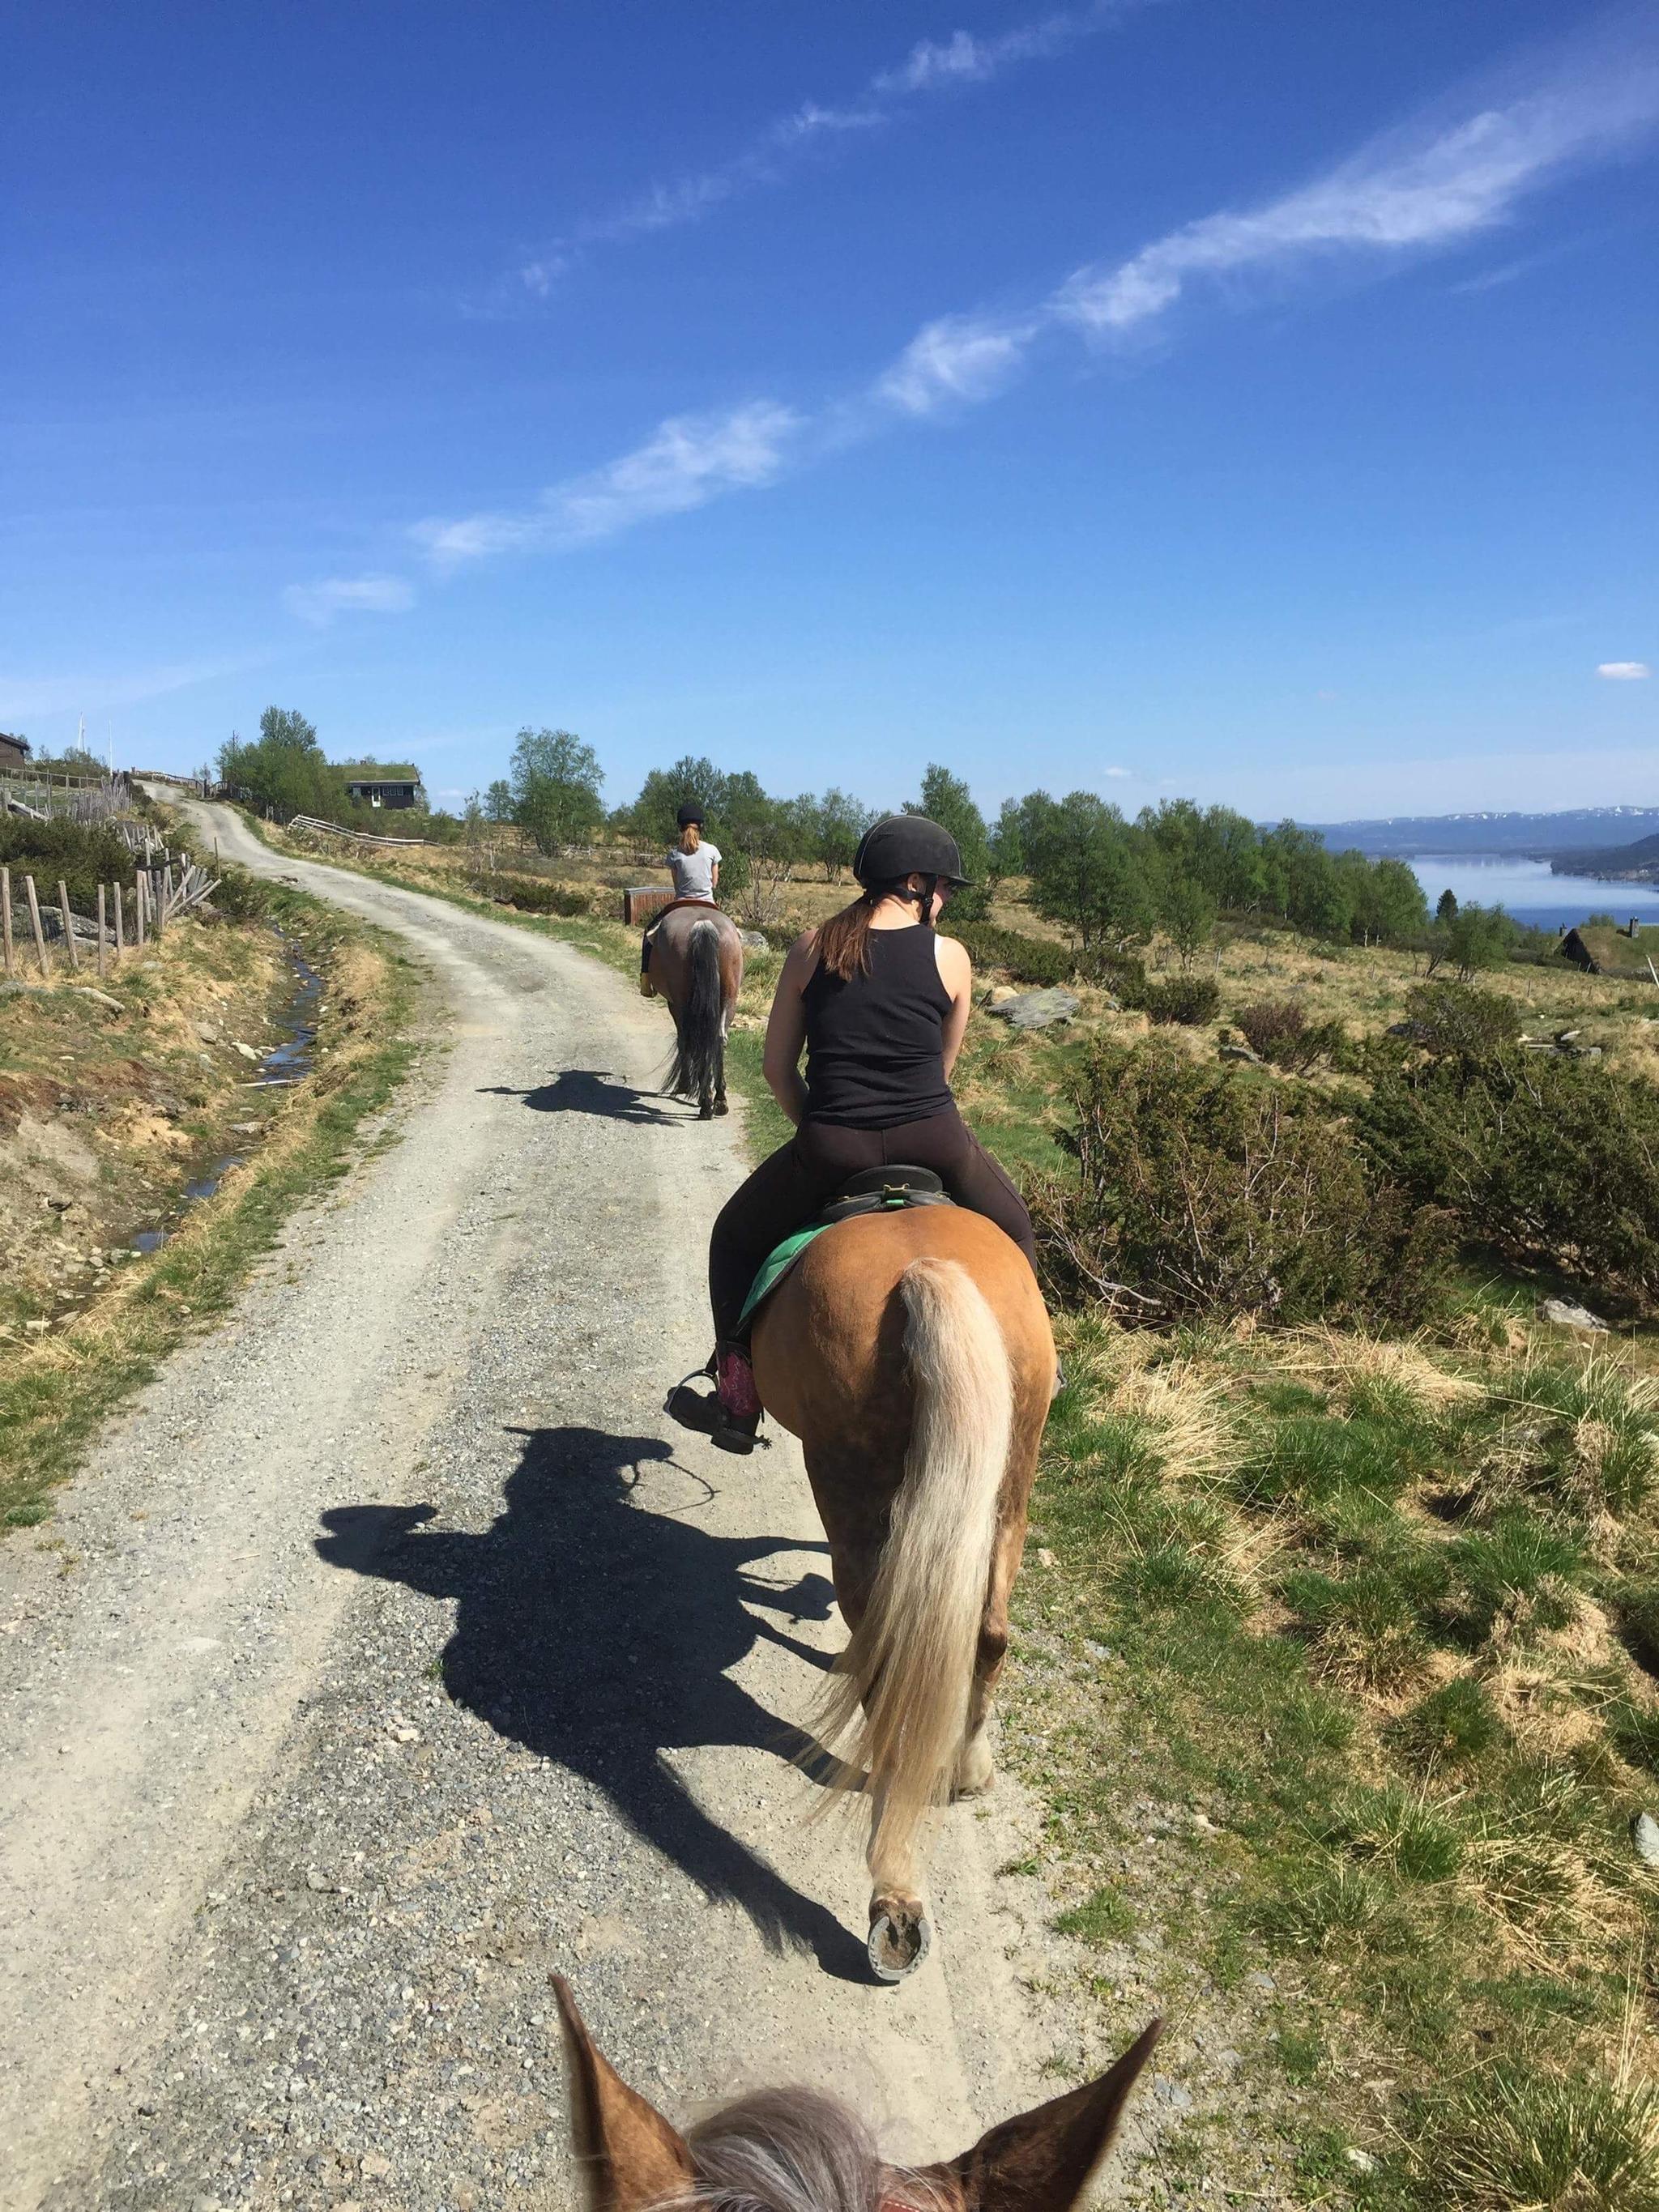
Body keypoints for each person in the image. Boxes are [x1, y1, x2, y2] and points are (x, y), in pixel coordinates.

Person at [668, 813, 1039, 1454]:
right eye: (945, 887)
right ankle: (1041, 1374)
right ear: (916, 884)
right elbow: (943, 1069)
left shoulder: (813, 947)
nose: (946, 900)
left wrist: (824, 1128)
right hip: (936, 1139)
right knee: (1019, 1228)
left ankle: (737, 1399)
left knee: (732, 1237)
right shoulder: (950, 957)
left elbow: (776, 1070)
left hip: (833, 1145)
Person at [641, 802, 722, 994]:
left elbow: (677, 886)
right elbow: (714, 883)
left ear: (680, 827)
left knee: (648, 935)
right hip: (708, 903)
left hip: (681, 903)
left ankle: (646, 981)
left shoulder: (674, 854)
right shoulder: (712, 851)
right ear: (701, 826)